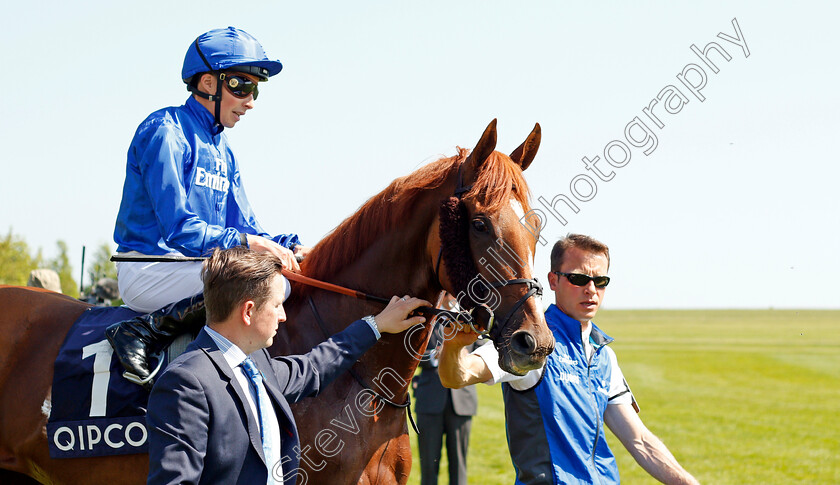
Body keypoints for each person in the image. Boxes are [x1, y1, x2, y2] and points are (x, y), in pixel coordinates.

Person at [107, 27, 308, 386]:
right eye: (241, 86)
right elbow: (179, 229)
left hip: (193, 267)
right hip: (151, 268)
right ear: (209, 83)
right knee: (261, 280)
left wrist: (290, 245)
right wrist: (251, 245)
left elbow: (246, 229)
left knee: (287, 277)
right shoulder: (164, 130)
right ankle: (144, 331)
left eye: (255, 89)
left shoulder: (223, 149)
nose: (250, 101)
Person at [146, 246, 430, 485]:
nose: (283, 316)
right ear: (248, 311)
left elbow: (314, 367)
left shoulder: (256, 363)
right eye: (277, 304)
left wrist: (376, 325)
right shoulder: (185, 383)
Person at [438, 234, 699, 485]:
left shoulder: (603, 354)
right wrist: (453, 347)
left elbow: (639, 440)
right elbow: (458, 375)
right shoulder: (530, 340)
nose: (591, 290)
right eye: (578, 278)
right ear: (553, 280)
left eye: (601, 281)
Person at [413, 294, 479, 485]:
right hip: (429, 400)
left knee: (459, 468)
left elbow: (483, 348)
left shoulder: (472, 314)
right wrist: (435, 357)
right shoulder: (424, 316)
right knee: (428, 468)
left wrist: (466, 356)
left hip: (462, 402)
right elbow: (411, 353)